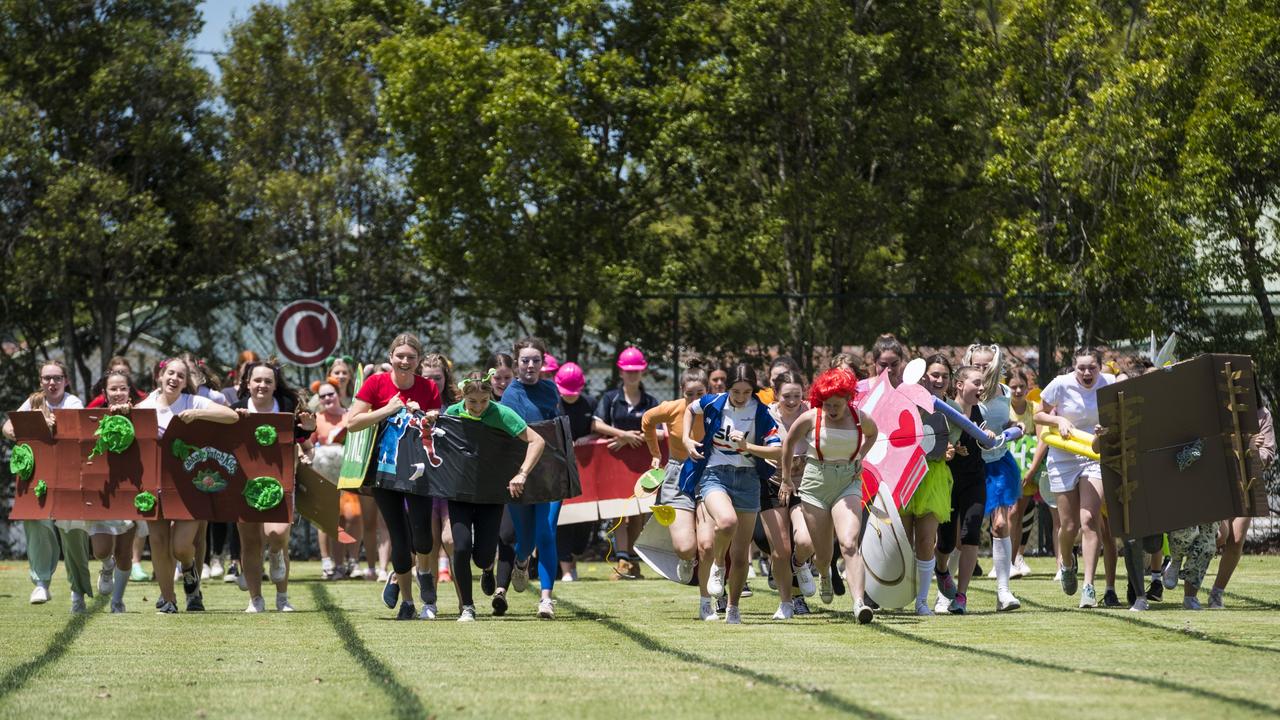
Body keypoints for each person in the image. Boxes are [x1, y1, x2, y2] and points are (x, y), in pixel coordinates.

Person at [346, 333, 443, 620]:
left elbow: (434, 415)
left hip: (419, 470)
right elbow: (353, 423)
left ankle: (423, 571)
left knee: (423, 537)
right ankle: (409, 602)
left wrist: (428, 416)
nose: (404, 361)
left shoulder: (427, 386)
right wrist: (387, 409)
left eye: (410, 357)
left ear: (417, 361)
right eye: (399, 356)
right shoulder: (375, 383)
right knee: (400, 540)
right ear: (391, 358)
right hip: (384, 471)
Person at [680, 363, 782, 624]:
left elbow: (777, 450)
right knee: (727, 522)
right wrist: (686, 439)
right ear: (727, 390)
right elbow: (690, 410)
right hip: (715, 474)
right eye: (736, 391)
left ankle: (733, 608)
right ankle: (717, 565)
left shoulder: (760, 411)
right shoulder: (714, 401)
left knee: (740, 556)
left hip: (748, 480)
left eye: (746, 392)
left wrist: (749, 446)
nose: (740, 397)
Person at [136, 357, 239, 613]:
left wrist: (199, 414)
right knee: (158, 541)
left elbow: (232, 416)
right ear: (160, 376)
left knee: (181, 547)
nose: (174, 379)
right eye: (170, 373)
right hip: (154, 483)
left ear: (186, 382)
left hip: (191, 483)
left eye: (180, 376)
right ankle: (168, 599)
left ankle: (190, 571)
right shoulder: (145, 405)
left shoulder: (194, 401)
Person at [446, 370, 546, 621]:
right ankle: (467, 606)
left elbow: (537, 441)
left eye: (483, 401)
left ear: (491, 396)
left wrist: (521, 473)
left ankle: (487, 568)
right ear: (462, 397)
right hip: (460, 492)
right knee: (460, 547)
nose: (478, 407)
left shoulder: (502, 413)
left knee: (483, 556)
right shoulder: (452, 413)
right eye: (472, 402)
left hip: (491, 494)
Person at [780, 368, 879, 623]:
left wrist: (859, 457)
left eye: (837, 404)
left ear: (848, 399)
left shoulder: (860, 418)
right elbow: (789, 443)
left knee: (848, 542)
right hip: (815, 483)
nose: (832, 409)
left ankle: (859, 604)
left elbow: (873, 434)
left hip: (847, 482)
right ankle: (823, 573)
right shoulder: (812, 417)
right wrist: (787, 479)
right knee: (823, 554)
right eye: (827, 404)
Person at [1034, 347, 1116, 608]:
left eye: (1092, 367)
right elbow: (1038, 414)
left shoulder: (1109, 384)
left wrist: (1108, 429)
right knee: (1068, 527)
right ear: (1073, 367)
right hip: (1063, 456)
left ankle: (1089, 587)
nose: (1087, 372)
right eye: (1082, 368)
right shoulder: (1061, 384)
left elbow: (1122, 415)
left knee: (1090, 519)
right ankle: (1067, 563)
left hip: (1094, 454)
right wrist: (1058, 422)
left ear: (1100, 366)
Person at [230, 361, 315, 612]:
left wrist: (308, 431)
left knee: (276, 534)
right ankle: (256, 599)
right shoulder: (236, 409)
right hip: (244, 484)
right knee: (250, 543)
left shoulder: (287, 407)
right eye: (257, 380)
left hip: (280, 482)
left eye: (268, 381)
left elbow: (301, 437)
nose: (262, 385)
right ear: (248, 383)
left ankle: (282, 595)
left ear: (275, 385)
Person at [57, 370, 142, 613]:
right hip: (102, 493)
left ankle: (117, 601)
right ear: (104, 392)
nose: (118, 393)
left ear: (129, 390)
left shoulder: (142, 413)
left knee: (125, 550)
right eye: (113, 389)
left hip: (132, 490)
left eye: (123, 388)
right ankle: (106, 567)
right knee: (102, 549)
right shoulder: (91, 416)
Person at [3, 360, 85, 605]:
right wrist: (26, 427)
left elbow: (74, 431)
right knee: (36, 524)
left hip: (69, 476)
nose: (52, 383)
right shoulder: (34, 401)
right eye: (47, 378)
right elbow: (7, 426)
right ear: (41, 381)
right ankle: (41, 583)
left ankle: (77, 589)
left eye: (57, 378)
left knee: (72, 531)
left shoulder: (73, 402)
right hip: (38, 475)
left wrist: (52, 424)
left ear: (66, 380)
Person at [499, 337, 565, 619]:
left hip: (550, 474)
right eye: (525, 360)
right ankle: (522, 560)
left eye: (536, 360)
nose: (530, 365)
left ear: (543, 363)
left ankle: (546, 599)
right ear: (516, 364)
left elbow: (559, 429)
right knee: (525, 538)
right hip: (520, 475)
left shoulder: (551, 391)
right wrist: (518, 473)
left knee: (546, 532)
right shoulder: (509, 395)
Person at [640, 362, 713, 614]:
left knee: (708, 543)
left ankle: (708, 602)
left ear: (708, 390)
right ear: (682, 392)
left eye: (700, 394)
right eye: (689, 394)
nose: (694, 399)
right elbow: (647, 420)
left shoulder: (717, 407)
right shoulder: (671, 409)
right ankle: (687, 559)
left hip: (709, 474)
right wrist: (654, 453)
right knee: (684, 547)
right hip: (677, 474)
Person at [962, 344, 1023, 612]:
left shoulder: (1005, 391)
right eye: (977, 365)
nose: (982, 369)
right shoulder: (965, 393)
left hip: (998, 464)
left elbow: (1004, 422)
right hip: (970, 464)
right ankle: (948, 591)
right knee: (960, 532)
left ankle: (1004, 591)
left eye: (987, 365)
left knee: (1000, 525)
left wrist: (1015, 427)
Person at [1207, 387, 1275, 608]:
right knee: (1219, 535)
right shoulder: (1219, 412)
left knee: (1236, 540)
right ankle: (1189, 571)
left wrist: (1254, 452)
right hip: (1222, 478)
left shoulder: (1262, 415)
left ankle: (1217, 592)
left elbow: (1268, 452)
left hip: (1250, 480)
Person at [936, 366, 994, 614]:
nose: (981, 388)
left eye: (983, 384)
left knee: (971, 535)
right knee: (947, 542)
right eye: (976, 383)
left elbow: (984, 441)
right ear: (959, 385)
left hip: (974, 479)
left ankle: (961, 596)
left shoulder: (981, 411)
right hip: (948, 481)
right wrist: (949, 447)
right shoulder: (946, 409)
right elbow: (935, 441)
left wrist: (988, 435)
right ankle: (941, 569)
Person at [594, 347, 657, 579]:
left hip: (641, 466)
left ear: (643, 372)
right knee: (618, 511)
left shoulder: (650, 401)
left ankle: (632, 559)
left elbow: (660, 430)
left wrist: (638, 437)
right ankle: (621, 559)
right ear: (621, 372)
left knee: (639, 511)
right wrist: (621, 435)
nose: (632, 374)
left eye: (636, 370)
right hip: (614, 464)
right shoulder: (610, 398)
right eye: (628, 370)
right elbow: (596, 425)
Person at [762, 370, 817, 620]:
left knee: (805, 542)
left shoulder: (812, 414)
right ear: (776, 394)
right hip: (772, 484)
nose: (792, 401)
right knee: (781, 549)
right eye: (786, 396)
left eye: (797, 395)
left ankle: (800, 563)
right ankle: (786, 603)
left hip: (803, 485)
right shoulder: (767, 416)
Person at [905, 355, 956, 616]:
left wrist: (952, 450)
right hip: (904, 473)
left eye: (944, 376)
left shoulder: (953, 407)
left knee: (925, 541)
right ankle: (893, 592)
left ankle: (922, 601)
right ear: (924, 376)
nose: (939, 380)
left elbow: (959, 439)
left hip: (933, 477)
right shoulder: (906, 399)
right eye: (934, 375)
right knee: (901, 541)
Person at [416, 353, 457, 616]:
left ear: (446, 378)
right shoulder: (412, 405)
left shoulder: (456, 405)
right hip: (422, 484)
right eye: (427, 377)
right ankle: (430, 603)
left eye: (438, 377)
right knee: (428, 543)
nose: (432, 382)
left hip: (451, 484)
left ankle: (466, 603)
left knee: (451, 539)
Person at [311, 380, 351, 579]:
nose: (327, 398)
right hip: (323, 474)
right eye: (323, 396)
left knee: (342, 519)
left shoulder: (350, 416)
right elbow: (308, 446)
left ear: (338, 394)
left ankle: (341, 563)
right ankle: (326, 562)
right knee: (325, 520)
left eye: (330, 394)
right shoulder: (317, 419)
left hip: (346, 475)